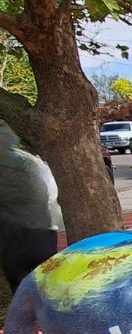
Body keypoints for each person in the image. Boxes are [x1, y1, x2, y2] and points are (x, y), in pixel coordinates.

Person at [0, 125, 62, 294]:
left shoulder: (26, 161)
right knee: (46, 279)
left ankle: (25, 313)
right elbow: (50, 191)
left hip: (10, 233)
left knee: (18, 282)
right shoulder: (29, 160)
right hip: (40, 228)